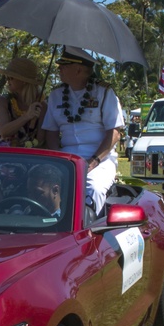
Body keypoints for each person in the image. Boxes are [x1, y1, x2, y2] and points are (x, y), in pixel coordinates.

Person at [42, 47, 124, 214]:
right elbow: (50, 131)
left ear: (78, 69)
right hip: (67, 158)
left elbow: (114, 133)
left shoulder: (104, 92)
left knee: (93, 187)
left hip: (100, 159)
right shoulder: (56, 94)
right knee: (43, 186)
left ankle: (87, 232)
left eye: (63, 66)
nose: (59, 70)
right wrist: (59, 160)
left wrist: (92, 163)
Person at [0, 57, 45, 148]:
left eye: (11, 78)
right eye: (7, 77)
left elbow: (41, 140)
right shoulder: (2, 101)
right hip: (6, 157)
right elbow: (4, 132)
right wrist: (27, 116)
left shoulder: (42, 104)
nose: (7, 81)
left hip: (34, 157)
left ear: (24, 81)